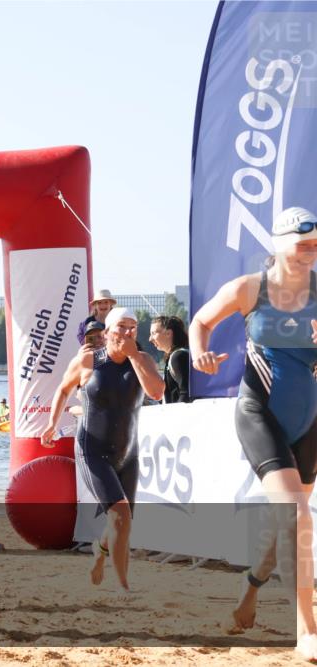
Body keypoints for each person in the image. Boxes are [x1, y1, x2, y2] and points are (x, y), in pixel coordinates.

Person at [189, 206, 317, 656]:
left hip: (307, 421)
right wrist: (200, 354)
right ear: (279, 245)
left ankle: (249, 592)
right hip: (258, 412)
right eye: (302, 245)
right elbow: (200, 322)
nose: (310, 254)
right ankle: (308, 631)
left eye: (315, 246)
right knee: (298, 515)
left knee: (288, 521)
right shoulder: (250, 288)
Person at [41, 307, 164, 590]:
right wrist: (51, 423)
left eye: (133, 327)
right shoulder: (89, 361)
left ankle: (100, 550)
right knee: (119, 515)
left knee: (122, 523)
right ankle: (123, 587)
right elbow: (62, 389)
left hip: (127, 452)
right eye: (121, 327)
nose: (127, 332)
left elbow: (157, 392)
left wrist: (134, 356)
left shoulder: (143, 359)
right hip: (92, 449)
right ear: (107, 333)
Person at [149, 315, 191, 404]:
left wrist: (175, 416)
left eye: (154, 333)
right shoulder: (177, 356)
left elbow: (186, 393)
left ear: (168, 333)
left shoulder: (178, 357)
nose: (150, 339)